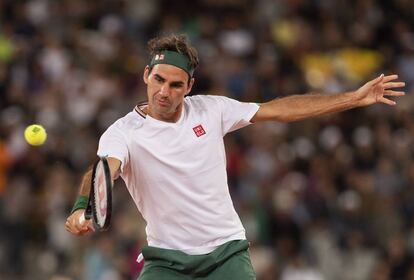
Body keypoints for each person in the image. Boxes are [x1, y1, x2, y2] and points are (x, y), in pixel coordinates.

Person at [65, 34, 405, 279]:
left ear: (190, 86)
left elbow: (279, 110)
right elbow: (103, 171)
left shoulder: (212, 110)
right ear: (145, 75)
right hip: (166, 261)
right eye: (158, 80)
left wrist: (351, 98)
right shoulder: (122, 132)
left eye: (175, 84)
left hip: (226, 254)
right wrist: (83, 207)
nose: (164, 92)